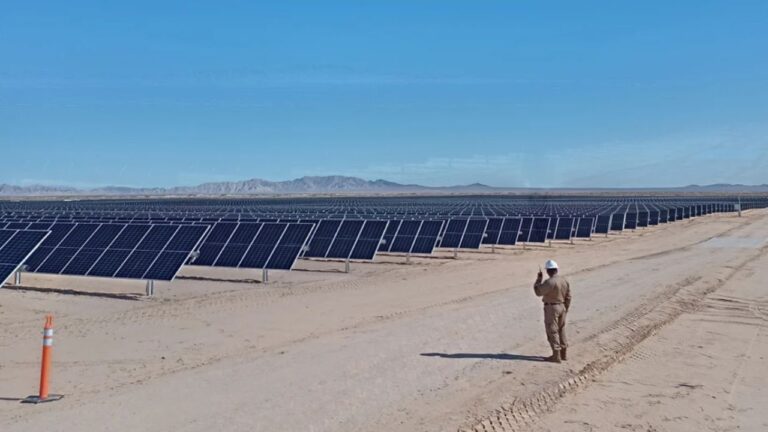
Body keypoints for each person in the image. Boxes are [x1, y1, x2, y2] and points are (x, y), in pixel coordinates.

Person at [534, 259, 571, 363]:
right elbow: (569, 296)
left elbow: (538, 292)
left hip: (552, 308)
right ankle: (564, 354)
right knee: (561, 329)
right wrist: (565, 308)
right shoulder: (564, 280)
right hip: (562, 307)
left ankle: (556, 355)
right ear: (556, 269)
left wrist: (538, 280)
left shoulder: (549, 282)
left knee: (552, 330)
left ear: (548, 271)